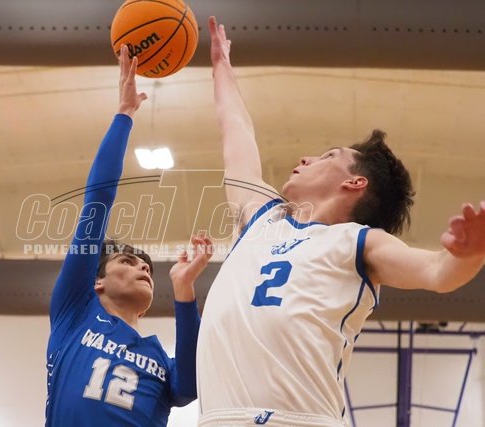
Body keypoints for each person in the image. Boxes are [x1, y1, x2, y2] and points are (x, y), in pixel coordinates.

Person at [196, 16, 485, 427]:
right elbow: (236, 132)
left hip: (300, 420)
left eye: (327, 155)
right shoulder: (261, 218)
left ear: (355, 182)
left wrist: (471, 253)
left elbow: (437, 272)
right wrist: (222, 68)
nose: (305, 159)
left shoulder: (359, 241)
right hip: (218, 419)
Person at [45, 45, 213, 426]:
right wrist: (124, 114)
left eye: (146, 267)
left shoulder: (159, 361)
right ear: (97, 282)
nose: (143, 267)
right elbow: (97, 201)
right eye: (128, 261)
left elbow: (190, 385)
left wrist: (184, 290)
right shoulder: (75, 312)